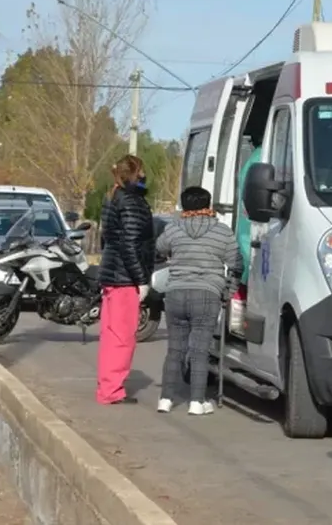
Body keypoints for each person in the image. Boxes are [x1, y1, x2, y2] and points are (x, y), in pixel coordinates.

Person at [155, 186, 242, 415]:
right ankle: (197, 401)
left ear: (184, 206)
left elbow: (159, 248)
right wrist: (228, 292)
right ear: (208, 204)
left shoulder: (173, 228)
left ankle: (165, 398)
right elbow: (236, 265)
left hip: (175, 293)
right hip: (207, 294)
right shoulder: (222, 232)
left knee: (175, 350)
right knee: (200, 350)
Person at [96, 154, 155, 405]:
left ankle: (107, 386)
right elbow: (131, 243)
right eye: (141, 172)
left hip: (112, 274)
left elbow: (108, 238)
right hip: (125, 278)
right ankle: (111, 390)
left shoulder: (114, 197)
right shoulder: (132, 202)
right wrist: (141, 279)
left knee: (110, 335)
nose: (144, 176)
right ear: (135, 173)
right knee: (122, 337)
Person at [229, 141, 263, 333]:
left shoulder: (254, 159)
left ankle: (239, 323)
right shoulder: (262, 158)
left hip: (247, 230)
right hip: (251, 229)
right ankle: (241, 323)